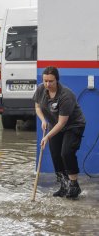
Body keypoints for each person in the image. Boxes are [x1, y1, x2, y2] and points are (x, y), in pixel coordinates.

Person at [33, 66, 85, 199]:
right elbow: (37, 106)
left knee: (66, 153)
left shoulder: (66, 95)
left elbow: (62, 123)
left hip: (73, 125)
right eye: (45, 81)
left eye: (51, 81)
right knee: (56, 155)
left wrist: (47, 137)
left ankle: (74, 186)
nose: (47, 84)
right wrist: (43, 120)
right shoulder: (41, 89)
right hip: (53, 124)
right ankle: (63, 185)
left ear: (57, 80)